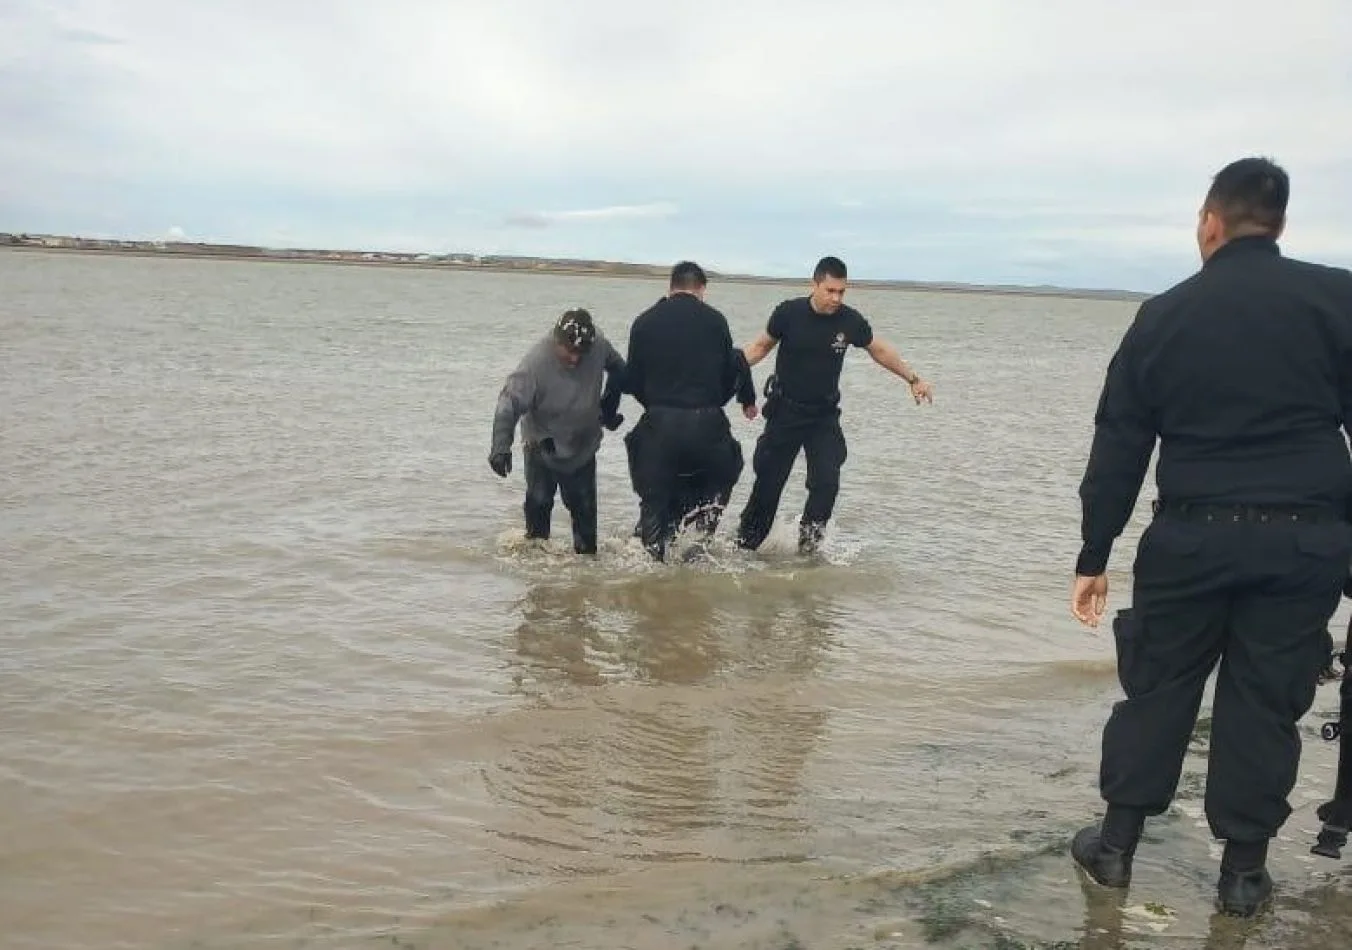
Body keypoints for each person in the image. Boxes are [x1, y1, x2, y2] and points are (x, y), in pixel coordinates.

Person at [1068, 156, 1352, 918]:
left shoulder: (1163, 315)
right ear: (1281, 224)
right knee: (1267, 700)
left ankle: (1116, 848)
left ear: (1208, 222)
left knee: (1159, 687)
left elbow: (1120, 445)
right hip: (1304, 543)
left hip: (1192, 538)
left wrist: (1093, 556)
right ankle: (1243, 876)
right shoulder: (1338, 300)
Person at [734, 255, 933, 554]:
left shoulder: (849, 320)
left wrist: (912, 378)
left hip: (823, 417)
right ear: (814, 284)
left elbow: (878, 349)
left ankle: (808, 550)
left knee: (827, 483)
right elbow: (759, 347)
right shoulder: (788, 313)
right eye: (830, 291)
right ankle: (744, 548)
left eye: (841, 292)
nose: (836, 298)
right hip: (785, 412)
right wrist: (723, 371)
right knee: (768, 484)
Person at [623, 260, 758, 561]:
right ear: (702, 290)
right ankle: (700, 543)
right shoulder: (716, 321)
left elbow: (631, 380)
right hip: (707, 427)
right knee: (723, 472)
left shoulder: (644, 322)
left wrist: (657, 406)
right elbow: (733, 366)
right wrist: (743, 400)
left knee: (654, 515)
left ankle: (651, 561)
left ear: (670, 287)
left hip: (659, 428)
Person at [488, 308, 625, 555]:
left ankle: (584, 581)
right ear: (557, 340)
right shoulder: (535, 362)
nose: (575, 358)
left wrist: (609, 406)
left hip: (582, 447)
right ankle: (540, 579)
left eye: (581, 352)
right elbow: (508, 403)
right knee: (538, 515)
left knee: (585, 527)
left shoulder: (599, 346)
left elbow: (619, 370)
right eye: (569, 350)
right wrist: (500, 446)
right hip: (542, 445)